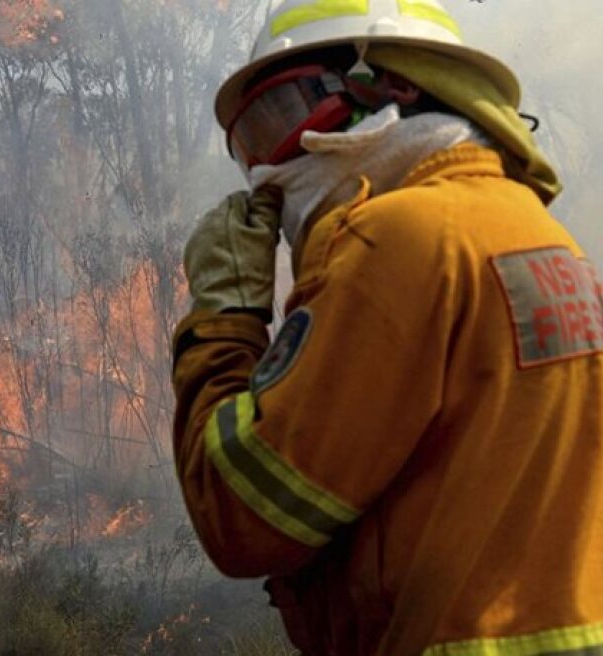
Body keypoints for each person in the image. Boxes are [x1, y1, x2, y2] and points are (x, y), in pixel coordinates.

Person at [172, 1, 603, 654]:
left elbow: (242, 516)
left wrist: (225, 316)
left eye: (284, 114)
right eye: (251, 140)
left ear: (392, 85)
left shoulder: (395, 239)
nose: (266, 167)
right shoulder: (537, 229)